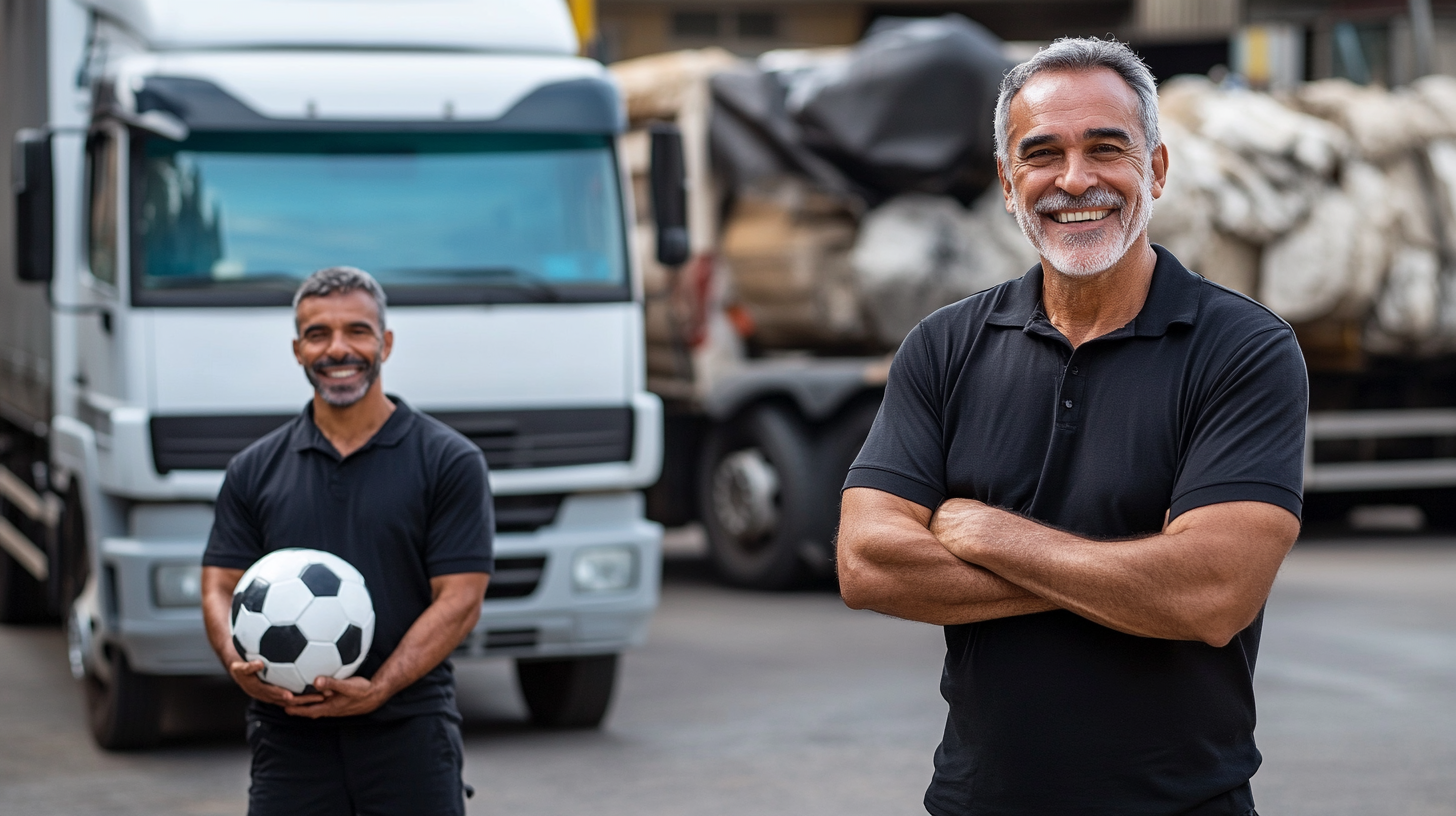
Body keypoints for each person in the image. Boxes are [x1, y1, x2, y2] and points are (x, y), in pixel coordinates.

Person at [837, 38, 1306, 816]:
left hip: (1179, 803)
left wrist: (989, 535)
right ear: (1008, 181)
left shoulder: (1244, 350)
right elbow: (868, 565)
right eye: (1043, 153)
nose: (1075, 179)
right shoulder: (945, 346)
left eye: (1106, 148)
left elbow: (1213, 594)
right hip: (976, 800)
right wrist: (1140, 573)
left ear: (1155, 169)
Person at [201, 266, 493, 816]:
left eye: (357, 331)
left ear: (385, 342)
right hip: (288, 736)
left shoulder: (449, 461)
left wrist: (381, 686)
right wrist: (237, 664)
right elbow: (219, 585)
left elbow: (460, 598)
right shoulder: (253, 469)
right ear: (297, 349)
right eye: (318, 334)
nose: (339, 349)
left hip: (409, 728)